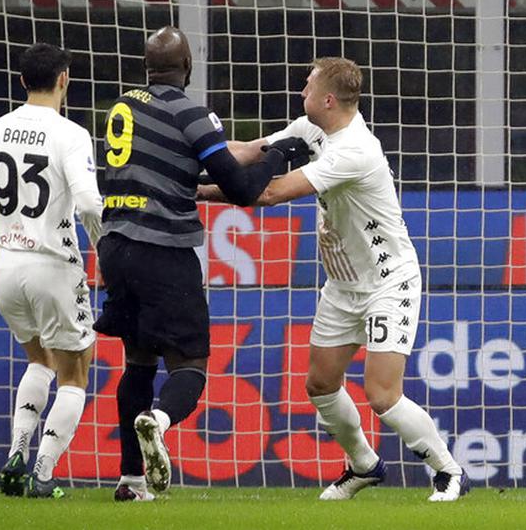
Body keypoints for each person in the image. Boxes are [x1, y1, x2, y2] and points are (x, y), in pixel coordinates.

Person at [200, 57, 469, 502]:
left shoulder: (355, 150)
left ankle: (448, 471)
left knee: (381, 394)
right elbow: (248, 151)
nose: (300, 94)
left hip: (388, 281)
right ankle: (363, 464)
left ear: (328, 98)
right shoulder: (312, 130)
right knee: (321, 385)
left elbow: (267, 192)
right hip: (343, 286)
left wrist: (194, 191)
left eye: (307, 87)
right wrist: (191, 158)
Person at [94, 26, 308, 501]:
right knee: (190, 365)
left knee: (138, 361)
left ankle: (130, 481)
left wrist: (264, 146)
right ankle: (160, 421)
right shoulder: (192, 112)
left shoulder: (123, 105)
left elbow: (201, 154)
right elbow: (241, 189)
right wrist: (283, 157)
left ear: (147, 65)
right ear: (188, 65)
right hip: (164, 251)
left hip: (115, 247)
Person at [0, 43, 103, 499]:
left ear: (22, 82)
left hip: (6, 266)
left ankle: (16, 455)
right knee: (74, 374)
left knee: (39, 360)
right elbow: (88, 204)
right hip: (53, 266)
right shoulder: (71, 134)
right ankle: (42, 473)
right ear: (64, 80)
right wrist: (107, 255)